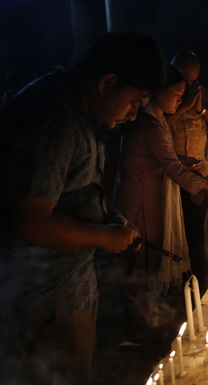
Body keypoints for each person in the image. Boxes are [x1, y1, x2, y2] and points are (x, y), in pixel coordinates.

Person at [0, 32, 165, 384]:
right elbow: (29, 221)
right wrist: (105, 237)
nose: (135, 114)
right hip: (45, 301)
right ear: (108, 82)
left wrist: (111, 218)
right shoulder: (54, 120)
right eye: (136, 101)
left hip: (66, 291)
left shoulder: (78, 111)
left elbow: (74, 189)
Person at [115, 65, 208, 327]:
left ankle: (144, 309)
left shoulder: (155, 119)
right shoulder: (150, 125)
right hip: (140, 199)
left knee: (149, 253)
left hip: (150, 195)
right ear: (159, 93)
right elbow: (174, 169)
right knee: (141, 254)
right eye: (177, 94)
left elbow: (164, 156)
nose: (181, 100)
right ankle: (138, 315)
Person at [167, 51, 208, 295]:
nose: (190, 86)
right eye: (185, 80)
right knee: (174, 231)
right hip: (169, 176)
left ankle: (198, 280)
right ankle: (178, 282)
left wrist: (201, 109)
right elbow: (157, 128)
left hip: (198, 174)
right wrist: (184, 107)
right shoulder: (167, 96)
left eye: (195, 81)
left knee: (196, 230)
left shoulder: (202, 95)